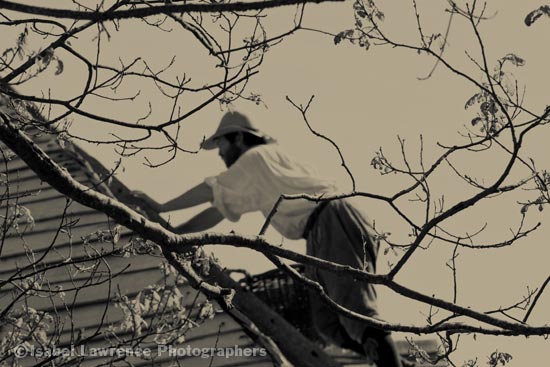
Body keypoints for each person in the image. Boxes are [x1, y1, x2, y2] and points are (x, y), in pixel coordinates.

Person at [133, 111, 406, 367]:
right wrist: (175, 236)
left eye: (221, 145)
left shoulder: (255, 159)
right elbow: (218, 209)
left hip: (331, 220)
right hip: (322, 229)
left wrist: (161, 207)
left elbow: (210, 189)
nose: (220, 154)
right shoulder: (262, 172)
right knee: (328, 324)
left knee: (357, 312)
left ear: (238, 137)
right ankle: (392, 362)